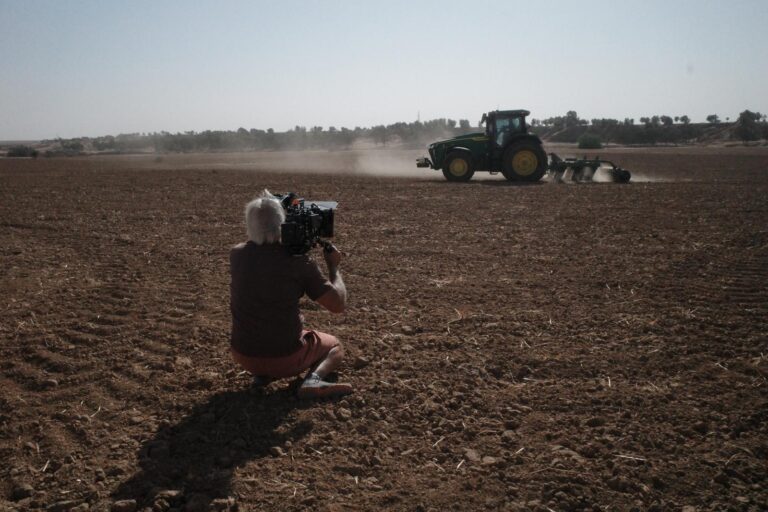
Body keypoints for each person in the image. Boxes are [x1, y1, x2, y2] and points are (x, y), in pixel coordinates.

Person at [229, 190, 352, 398]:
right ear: (283, 224)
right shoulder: (299, 263)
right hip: (285, 358)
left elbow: (264, 264)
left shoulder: (237, 254)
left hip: (243, 355)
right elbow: (337, 305)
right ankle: (312, 382)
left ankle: (262, 376)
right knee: (335, 345)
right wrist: (333, 268)